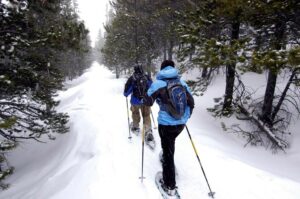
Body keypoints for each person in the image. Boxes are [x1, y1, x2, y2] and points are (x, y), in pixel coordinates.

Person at [142, 60, 194, 196]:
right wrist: (185, 117)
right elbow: (191, 102)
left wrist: (145, 93)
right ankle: (167, 157)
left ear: (162, 69)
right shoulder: (181, 83)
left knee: (168, 150)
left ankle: (169, 185)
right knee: (171, 143)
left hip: (166, 124)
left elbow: (147, 101)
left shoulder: (158, 84)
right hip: (181, 124)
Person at [123, 64, 154, 143]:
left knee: (135, 113)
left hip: (135, 101)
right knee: (146, 115)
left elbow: (126, 93)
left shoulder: (132, 78)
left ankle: (136, 127)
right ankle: (148, 130)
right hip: (146, 100)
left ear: (134, 69)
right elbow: (152, 87)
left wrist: (126, 92)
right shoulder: (146, 77)